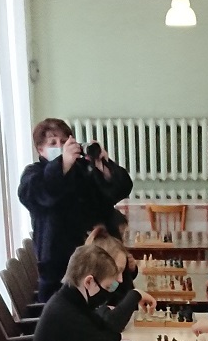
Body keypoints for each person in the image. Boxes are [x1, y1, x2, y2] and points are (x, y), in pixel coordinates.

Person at [18, 121, 132, 303]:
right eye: (53, 143)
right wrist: (62, 165)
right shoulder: (34, 173)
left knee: (113, 308)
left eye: (64, 141)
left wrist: (103, 165)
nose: (60, 146)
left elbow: (119, 190)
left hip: (100, 259)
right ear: (40, 150)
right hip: (60, 266)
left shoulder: (83, 169)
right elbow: (34, 195)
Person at [33, 242, 139, 341]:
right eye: (107, 287)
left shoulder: (71, 300)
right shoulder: (68, 315)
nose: (107, 293)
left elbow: (108, 330)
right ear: (89, 282)